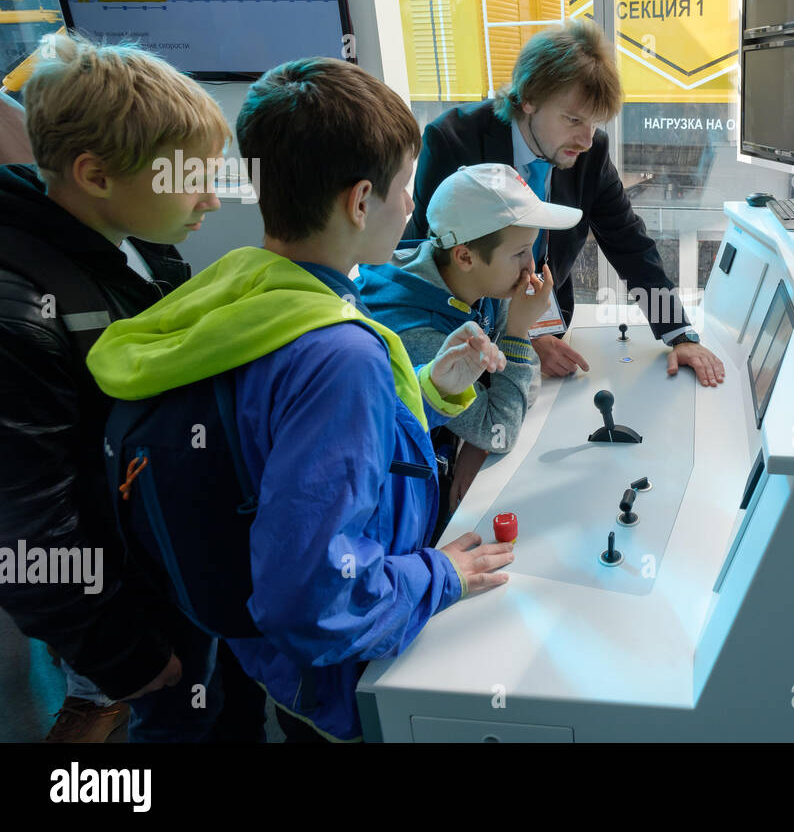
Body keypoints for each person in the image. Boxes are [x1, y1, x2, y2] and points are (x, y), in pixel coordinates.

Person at [87, 57, 516, 742]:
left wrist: (431, 389)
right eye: (404, 186)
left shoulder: (242, 289)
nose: (411, 206)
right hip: (340, 681)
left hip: (263, 662)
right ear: (359, 201)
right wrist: (442, 574)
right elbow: (315, 596)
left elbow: (274, 438)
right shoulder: (338, 358)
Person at [0, 33, 265, 742]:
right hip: (133, 605)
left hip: (174, 554)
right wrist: (123, 654)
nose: (212, 198)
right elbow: (29, 528)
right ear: (94, 174)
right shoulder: (19, 318)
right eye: (190, 177)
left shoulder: (138, 240)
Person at [404, 20, 726, 387]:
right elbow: (430, 263)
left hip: (551, 331)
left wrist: (680, 334)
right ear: (527, 99)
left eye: (595, 123)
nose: (587, 139)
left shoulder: (591, 151)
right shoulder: (453, 140)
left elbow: (629, 244)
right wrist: (521, 337)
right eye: (573, 119)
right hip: (462, 346)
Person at [358, 163, 581, 514]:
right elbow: (502, 430)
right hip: (401, 504)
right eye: (520, 252)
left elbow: (508, 408)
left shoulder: (482, 282)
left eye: (531, 249)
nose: (531, 269)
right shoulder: (418, 333)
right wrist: (520, 334)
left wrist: (476, 442)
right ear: (464, 256)